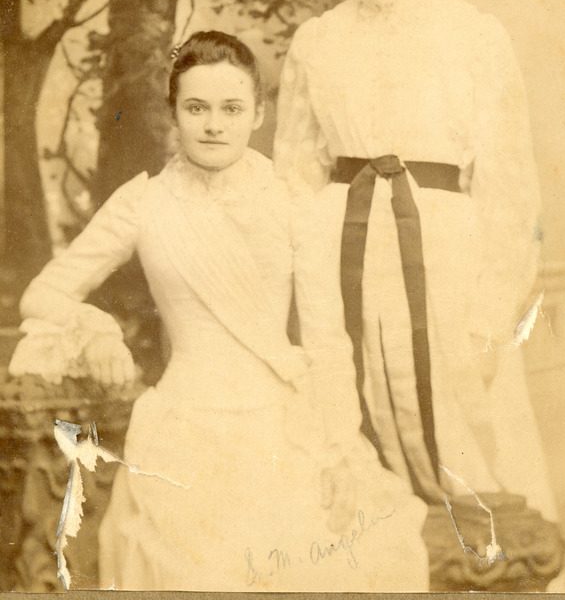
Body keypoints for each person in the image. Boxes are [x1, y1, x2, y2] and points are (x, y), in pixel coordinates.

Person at [10, 30, 428, 591]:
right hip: (183, 434)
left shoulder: (291, 202)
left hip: (286, 429)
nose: (213, 125)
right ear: (173, 114)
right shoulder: (144, 202)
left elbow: (328, 342)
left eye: (231, 109)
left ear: (258, 114)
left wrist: (338, 453)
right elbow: (43, 294)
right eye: (196, 108)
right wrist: (99, 334)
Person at [273, 0, 557, 520]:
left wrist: (492, 305)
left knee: (465, 417)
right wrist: (304, 269)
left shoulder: (473, 36)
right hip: (340, 249)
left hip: (444, 255)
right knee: (354, 402)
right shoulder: (317, 40)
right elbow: (293, 171)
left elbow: (508, 185)